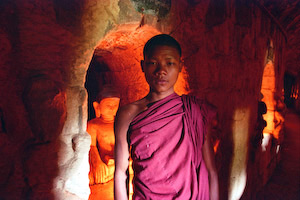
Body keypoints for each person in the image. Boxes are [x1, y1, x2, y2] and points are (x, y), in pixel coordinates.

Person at [114, 34, 219, 199]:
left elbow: (211, 170)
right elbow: (121, 172)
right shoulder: (128, 113)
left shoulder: (193, 111)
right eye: (153, 63)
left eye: (169, 63)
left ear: (180, 66)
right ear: (143, 66)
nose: (161, 71)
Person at [87, 85, 120, 185]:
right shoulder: (93, 125)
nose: (112, 108)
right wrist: (98, 162)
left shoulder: (122, 123)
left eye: (115, 105)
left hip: (119, 162)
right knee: (90, 178)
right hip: (104, 163)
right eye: (108, 105)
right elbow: (91, 146)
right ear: (97, 107)